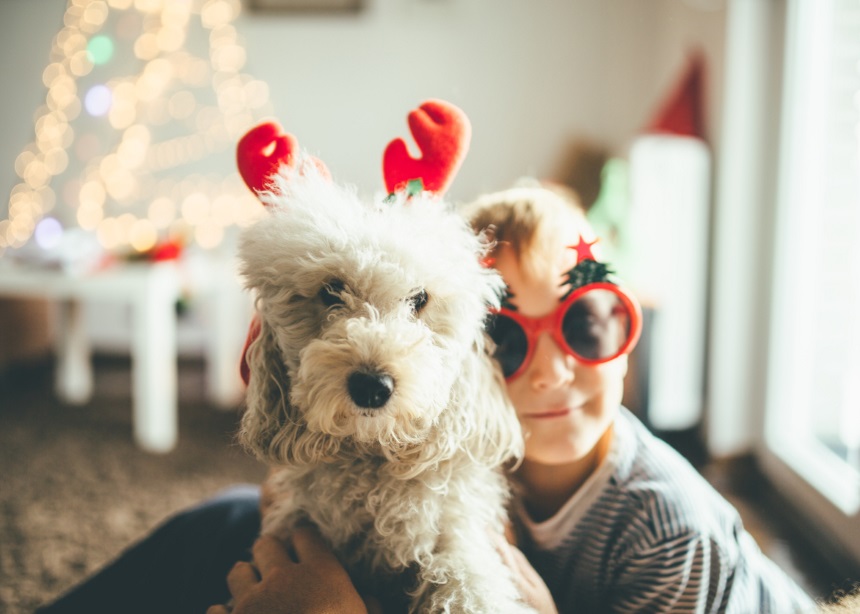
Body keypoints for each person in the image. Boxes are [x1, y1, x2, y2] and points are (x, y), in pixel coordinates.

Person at [38, 186, 817, 614]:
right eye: (509, 339)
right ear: (473, 349)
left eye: (583, 322)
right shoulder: (453, 446)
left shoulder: (668, 533)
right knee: (226, 521)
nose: (546, 372)